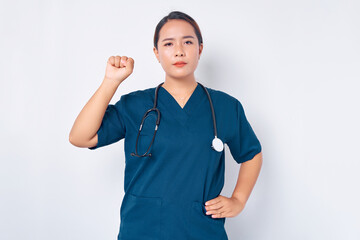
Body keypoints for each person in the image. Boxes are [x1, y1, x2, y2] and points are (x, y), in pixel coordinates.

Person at [69, 10, 263, 240]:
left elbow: (251, 153)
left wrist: (238, 200)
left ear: (200, 49)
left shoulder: (225, 107)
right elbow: (80, 137)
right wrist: (111, 81)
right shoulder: (134, 105)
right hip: (142, 230)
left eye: (188, 42)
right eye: (169, 43)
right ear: (157, 53)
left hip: (201, 230)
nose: (179, 50)